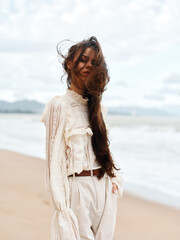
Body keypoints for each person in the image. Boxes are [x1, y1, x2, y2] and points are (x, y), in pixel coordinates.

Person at [41, 36, 123, 240]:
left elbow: (104, 149)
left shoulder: (98, 108)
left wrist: (115, 181)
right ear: (70, 64)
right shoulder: (59, 106)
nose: (88, 66)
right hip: (78, 189)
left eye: (94, 63)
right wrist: (61, 208)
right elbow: (54, 162)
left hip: (104, 188)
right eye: (83, 60)